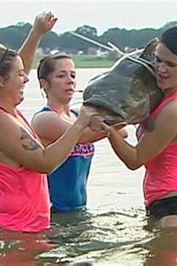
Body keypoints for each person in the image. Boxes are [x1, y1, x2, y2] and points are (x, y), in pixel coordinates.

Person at [0, 12, 97, 232]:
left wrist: (36, 33)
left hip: (28, 226)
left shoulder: (8, 111)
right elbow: (45, 162)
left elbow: (20, 65)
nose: (27, 78)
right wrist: (79, 125)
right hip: (13, 227)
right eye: (20, 75)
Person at [99, 26, 177, 228]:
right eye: (158, 60)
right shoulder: (162, 95)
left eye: (171, 65)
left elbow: (135, 159)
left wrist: (109, 130)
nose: (161, 69)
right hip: (161, 204)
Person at [31, 53, 127, 213]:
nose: (70, 80)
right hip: (53, 211)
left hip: (80, 209)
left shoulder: (78, 116)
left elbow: (122, 132)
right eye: (61, 76)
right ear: (45, 84)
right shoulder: (44, 118)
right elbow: (83, 137)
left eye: (73, 75)